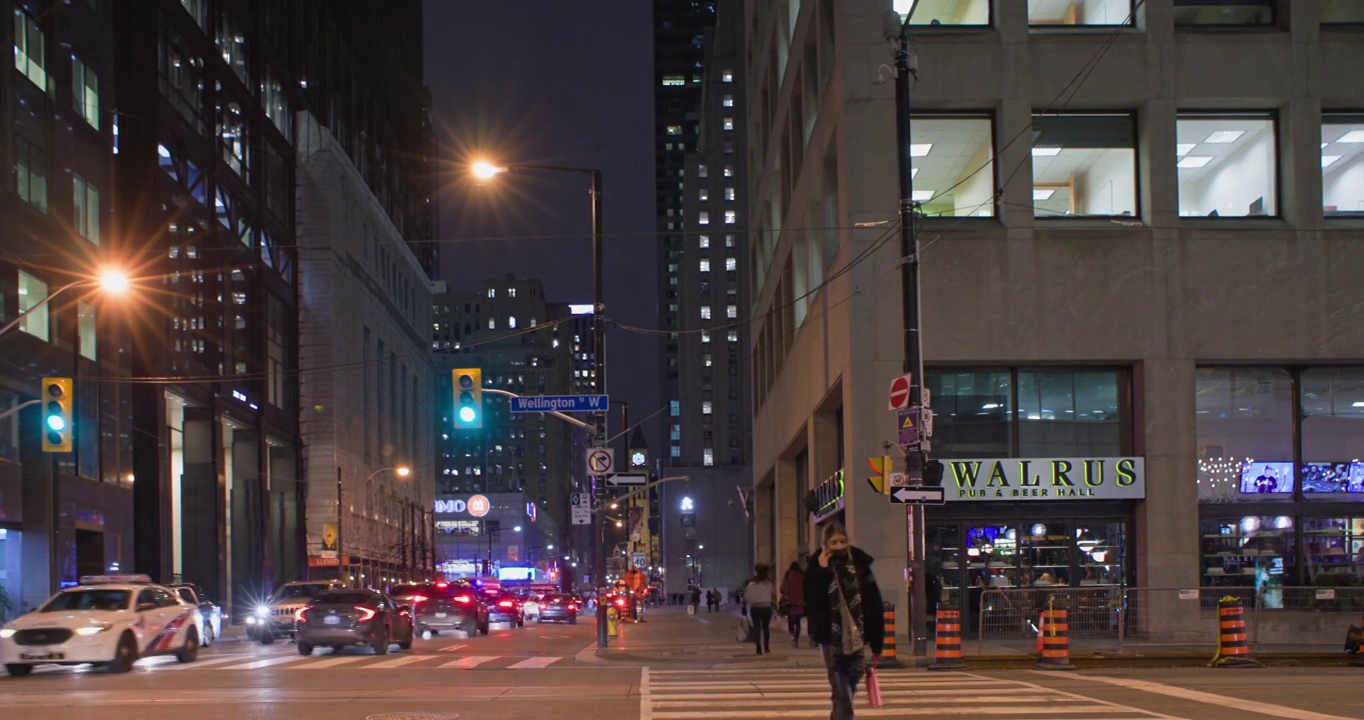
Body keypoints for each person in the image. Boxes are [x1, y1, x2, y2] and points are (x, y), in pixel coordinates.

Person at [804, 522, 885, 720]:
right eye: (834, 542)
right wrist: (823, 571)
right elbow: (812, 601)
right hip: (830, 636)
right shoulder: (817, 567)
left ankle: (838, 714)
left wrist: (877, 642)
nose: (839, 545)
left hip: (858, 634)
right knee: (839, 684)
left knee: (851, 679)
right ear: (825, 544)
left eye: (842, 540)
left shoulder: (859, 565)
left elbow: (874, 603)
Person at [743, 564, 776, 655]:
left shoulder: (751, 584)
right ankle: (766, 647)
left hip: (755, 608)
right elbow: (773, 595)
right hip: (766, 607)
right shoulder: (768, 583)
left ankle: (758, 647)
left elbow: (746, 597)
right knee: (766, 628)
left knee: (757, 628)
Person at [780, 555, 808, 648]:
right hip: (800, 603)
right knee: (798, 622)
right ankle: (796, 638)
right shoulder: (802, 575)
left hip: (790, 603)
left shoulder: (788, 574)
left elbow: (782, 589)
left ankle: (792, 637)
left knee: (791, 621)